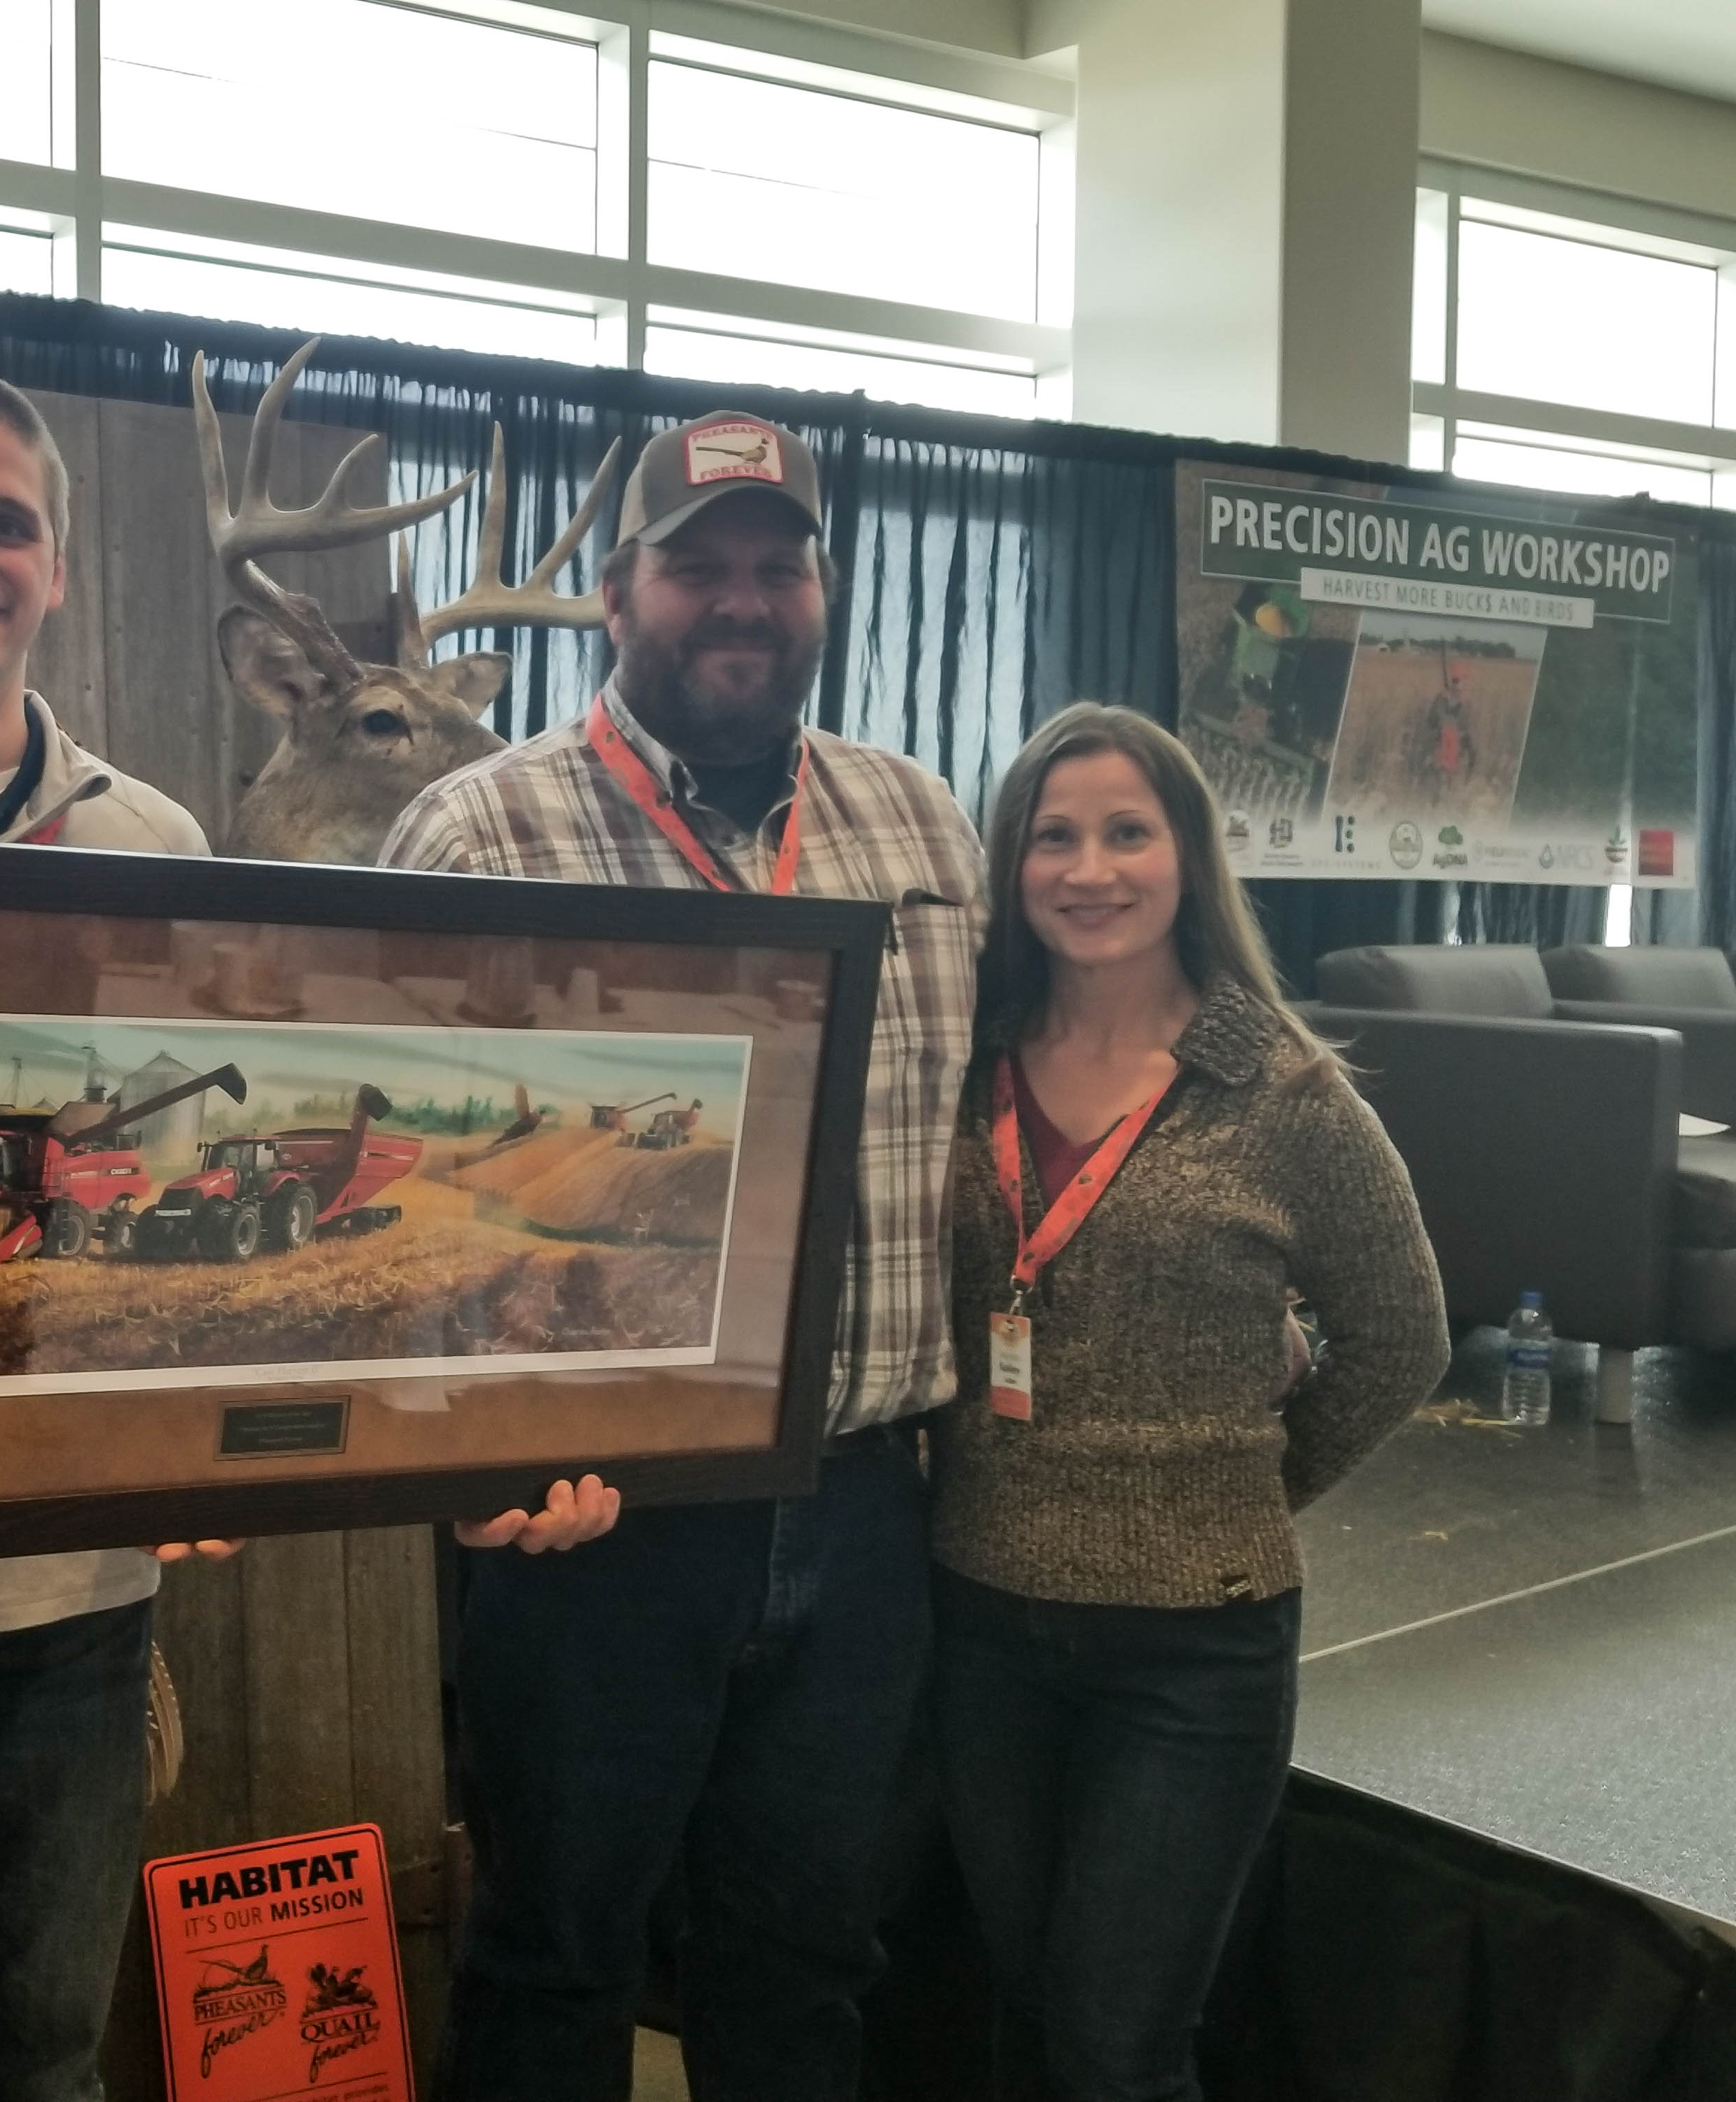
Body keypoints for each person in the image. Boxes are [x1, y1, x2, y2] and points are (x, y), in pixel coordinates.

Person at [0, 369, 617, 2102]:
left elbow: (197, 1196)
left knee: (48, 2060)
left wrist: (214, 1445)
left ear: (55, 569)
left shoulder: (156, 849)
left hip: (67, 1602)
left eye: (10, 522)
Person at [382, 410, 985, 2099]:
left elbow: (982, 1135)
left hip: (864, 1505)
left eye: (775, 566)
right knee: (558, 1955)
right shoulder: (479, 836)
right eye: (694, 566)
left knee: (807, 1961)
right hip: (597, 1524)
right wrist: (453, 1452)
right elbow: (406, 1201)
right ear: (623, 597)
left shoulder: (923, 830)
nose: (740, 600)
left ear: (823, 589)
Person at [930, 703, 1447, 2101]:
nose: (1089, 870)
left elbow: (1403, 1339)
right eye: (1054, 837)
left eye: (1126, 833)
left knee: (1117, 2044)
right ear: (1013, 866)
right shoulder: (961, 1064)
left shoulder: (1281, 1088)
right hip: (979, 1618)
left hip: (1193, 1650)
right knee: (1023, 2014)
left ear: (1187, 857)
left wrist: (1241, 1490)